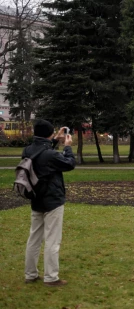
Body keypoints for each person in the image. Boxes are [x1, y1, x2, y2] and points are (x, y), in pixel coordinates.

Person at [24, 119, 76, 287]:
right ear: (48, 134)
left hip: (36, 198)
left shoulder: (28, 150)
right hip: (52, 200)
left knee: (34, 238)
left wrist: (53, 140)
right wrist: (67, 146)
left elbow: (42, 152)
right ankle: (51, 277)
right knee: (52, 240)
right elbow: (69, 164)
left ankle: (30, 274)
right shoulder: (51, 155)